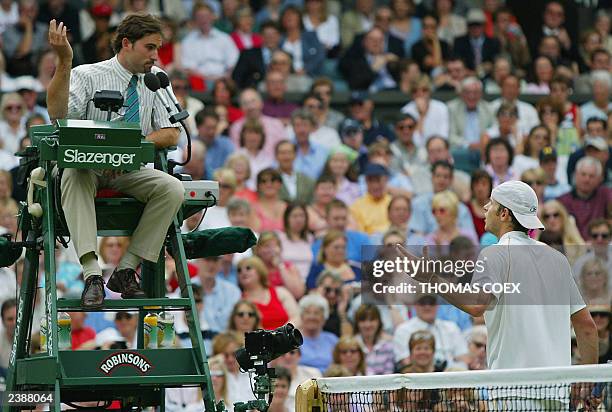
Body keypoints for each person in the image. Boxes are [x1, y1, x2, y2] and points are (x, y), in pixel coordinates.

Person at [46, 15, 186, 308]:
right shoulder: (87, 74)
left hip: (130, 170)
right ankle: (92, 274)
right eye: (149, 47)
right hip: (87, 166)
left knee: (172, 189)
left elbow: (173, 133)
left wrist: (129, 150)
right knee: (73, 173)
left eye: (158, 48)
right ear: (126, 43)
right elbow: (58, 116)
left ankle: (125, 270)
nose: (155, 56)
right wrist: (64, 61)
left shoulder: (157, 79)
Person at [396, 181, 599, 376]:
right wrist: (589, 380)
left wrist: (431, 278)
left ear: (504, 214)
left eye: (491, 203)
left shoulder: (493, 254)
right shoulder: (558, 260)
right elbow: (586, 327)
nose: (485, 207)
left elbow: (476, 306)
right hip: (557, 392)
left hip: (512, 392)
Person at [237, 256, 300, 330]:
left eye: (248, 268)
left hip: (286, 337)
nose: (243, 272)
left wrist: (283, 332)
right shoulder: (238, 299)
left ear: (260, 271)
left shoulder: (280, 292)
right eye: (239, 270)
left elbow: (296, 317)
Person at [558, 156, 611, 239]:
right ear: (575, 175)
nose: (587, 179)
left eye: (591, 176)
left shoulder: (606, 195)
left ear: (599, 178)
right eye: (583, 174)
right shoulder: (562, 201)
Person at [254, 231, 304, 299]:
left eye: (275, 246)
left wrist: (280, 266)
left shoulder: (288, 267)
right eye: (266, 246)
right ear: (258, 250)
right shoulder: (254, 268)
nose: (271, 250)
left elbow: (298, 293)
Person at [297, 293, 338, 372]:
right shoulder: (293, 340)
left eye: (316, 313)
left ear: (324, 318)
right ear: (301, 317)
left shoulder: (332, 340)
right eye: (308, 313)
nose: (312, 317)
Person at [353, 303, 395, 375]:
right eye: (363, 320)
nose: (367, 325)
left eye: (372, 320)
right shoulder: (352, 345)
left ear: (379, 322)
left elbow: (389, 375)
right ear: (357, 323)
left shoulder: (387, 346)